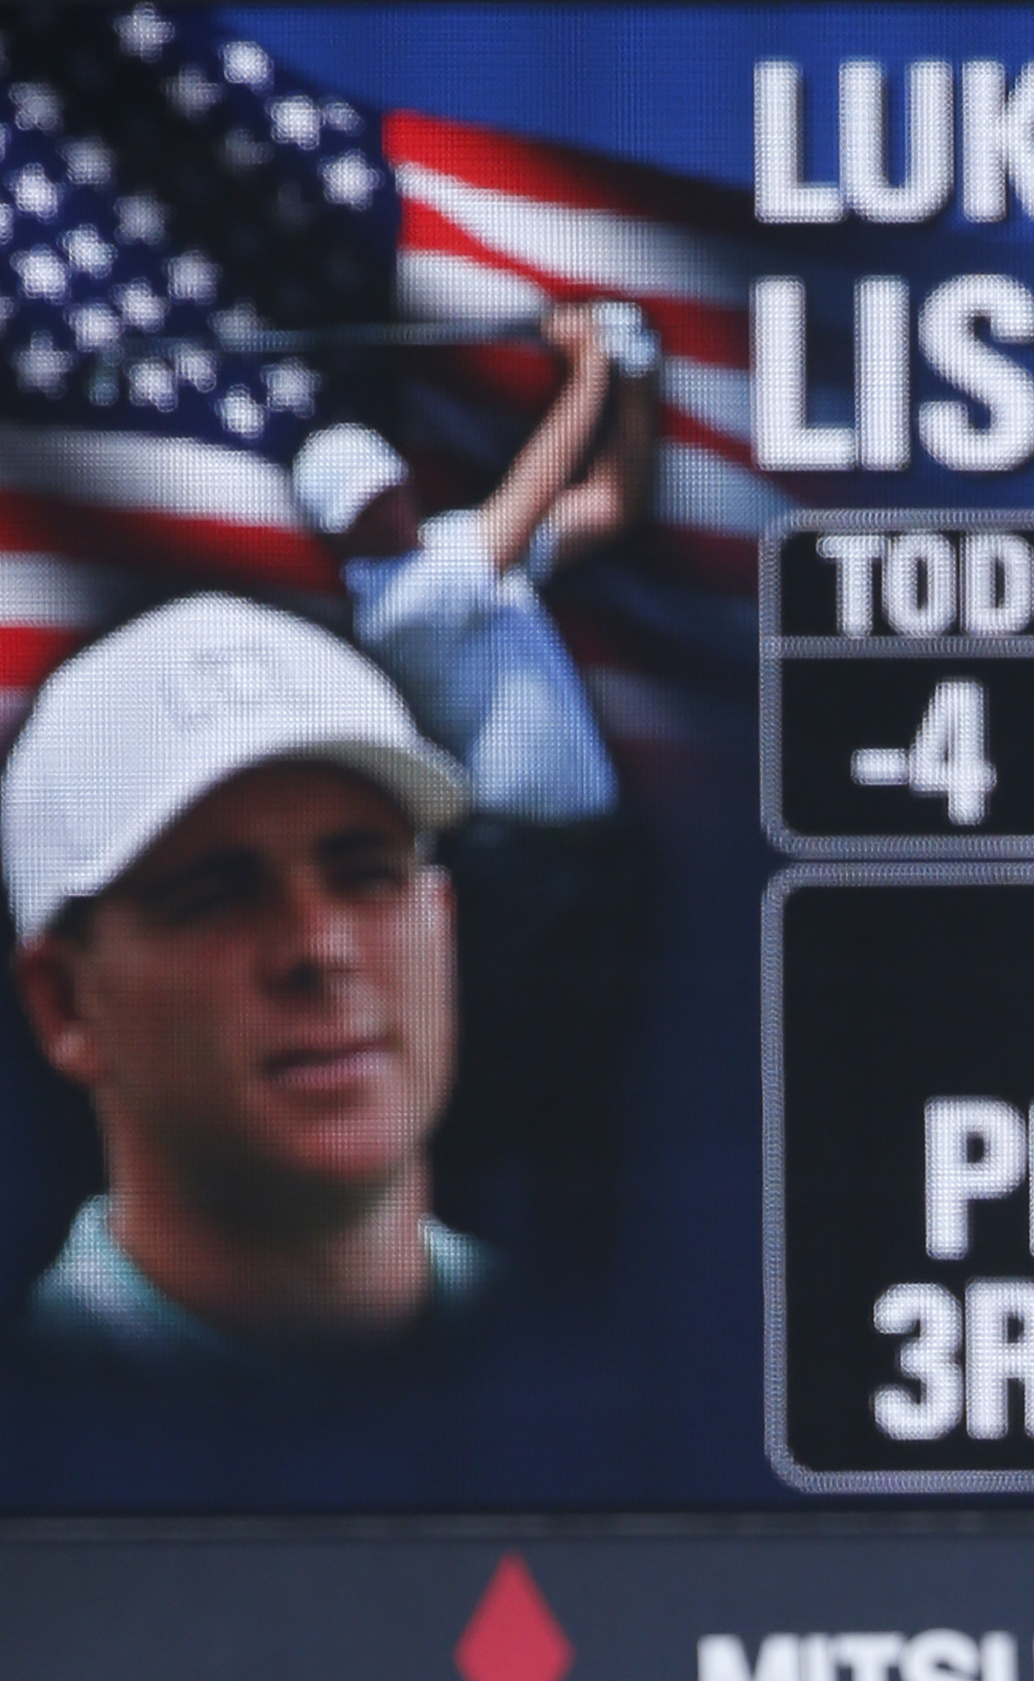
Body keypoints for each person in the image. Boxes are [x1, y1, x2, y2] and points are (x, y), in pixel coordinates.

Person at [1, 591, 486, 1366]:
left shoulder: (636, 1377)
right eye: (215, 896)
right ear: (64, 1005)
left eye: (365, 875)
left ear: (442, 926)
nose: (318, 948)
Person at [289, 302, 660, 1267]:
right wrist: (588, 370)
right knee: (501, 1082)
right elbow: (537, 488)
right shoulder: (404, 606)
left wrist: (638, 384)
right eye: (368, 507)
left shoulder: (458, 551)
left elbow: (613, 501)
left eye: (390, 487)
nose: (392, 505)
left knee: (586, 1082)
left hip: (590, 860)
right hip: (510, 868)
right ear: (343, 534)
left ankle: (581, 1290)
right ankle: (450, 1286)